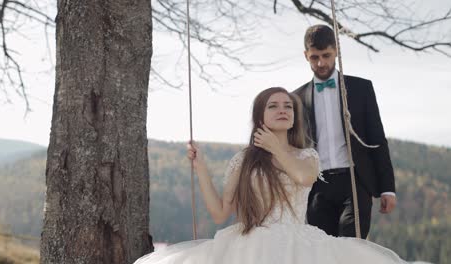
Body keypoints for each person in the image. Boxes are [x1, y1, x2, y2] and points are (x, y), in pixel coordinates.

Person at [133, 87, 414, 264]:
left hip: (299, 244)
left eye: (288, 106)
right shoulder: (243, 160)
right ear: (260, 117)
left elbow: (303, 178)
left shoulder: (308, 156)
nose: (283, 110)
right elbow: (220, 213)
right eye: (273, 106)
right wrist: (202, 167)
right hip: (250, 244)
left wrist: (277, 149)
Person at [293, 24, 397, 239]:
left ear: (336, 51)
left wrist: (388, 188)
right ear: (306, 56)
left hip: (355, 181)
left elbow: (377, 139)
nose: (321, 63)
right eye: (314, 57)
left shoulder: (361, 88)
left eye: (326, 55)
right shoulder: (296, 98)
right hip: (316, 188)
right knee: (322, 251)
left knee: (351, 246)